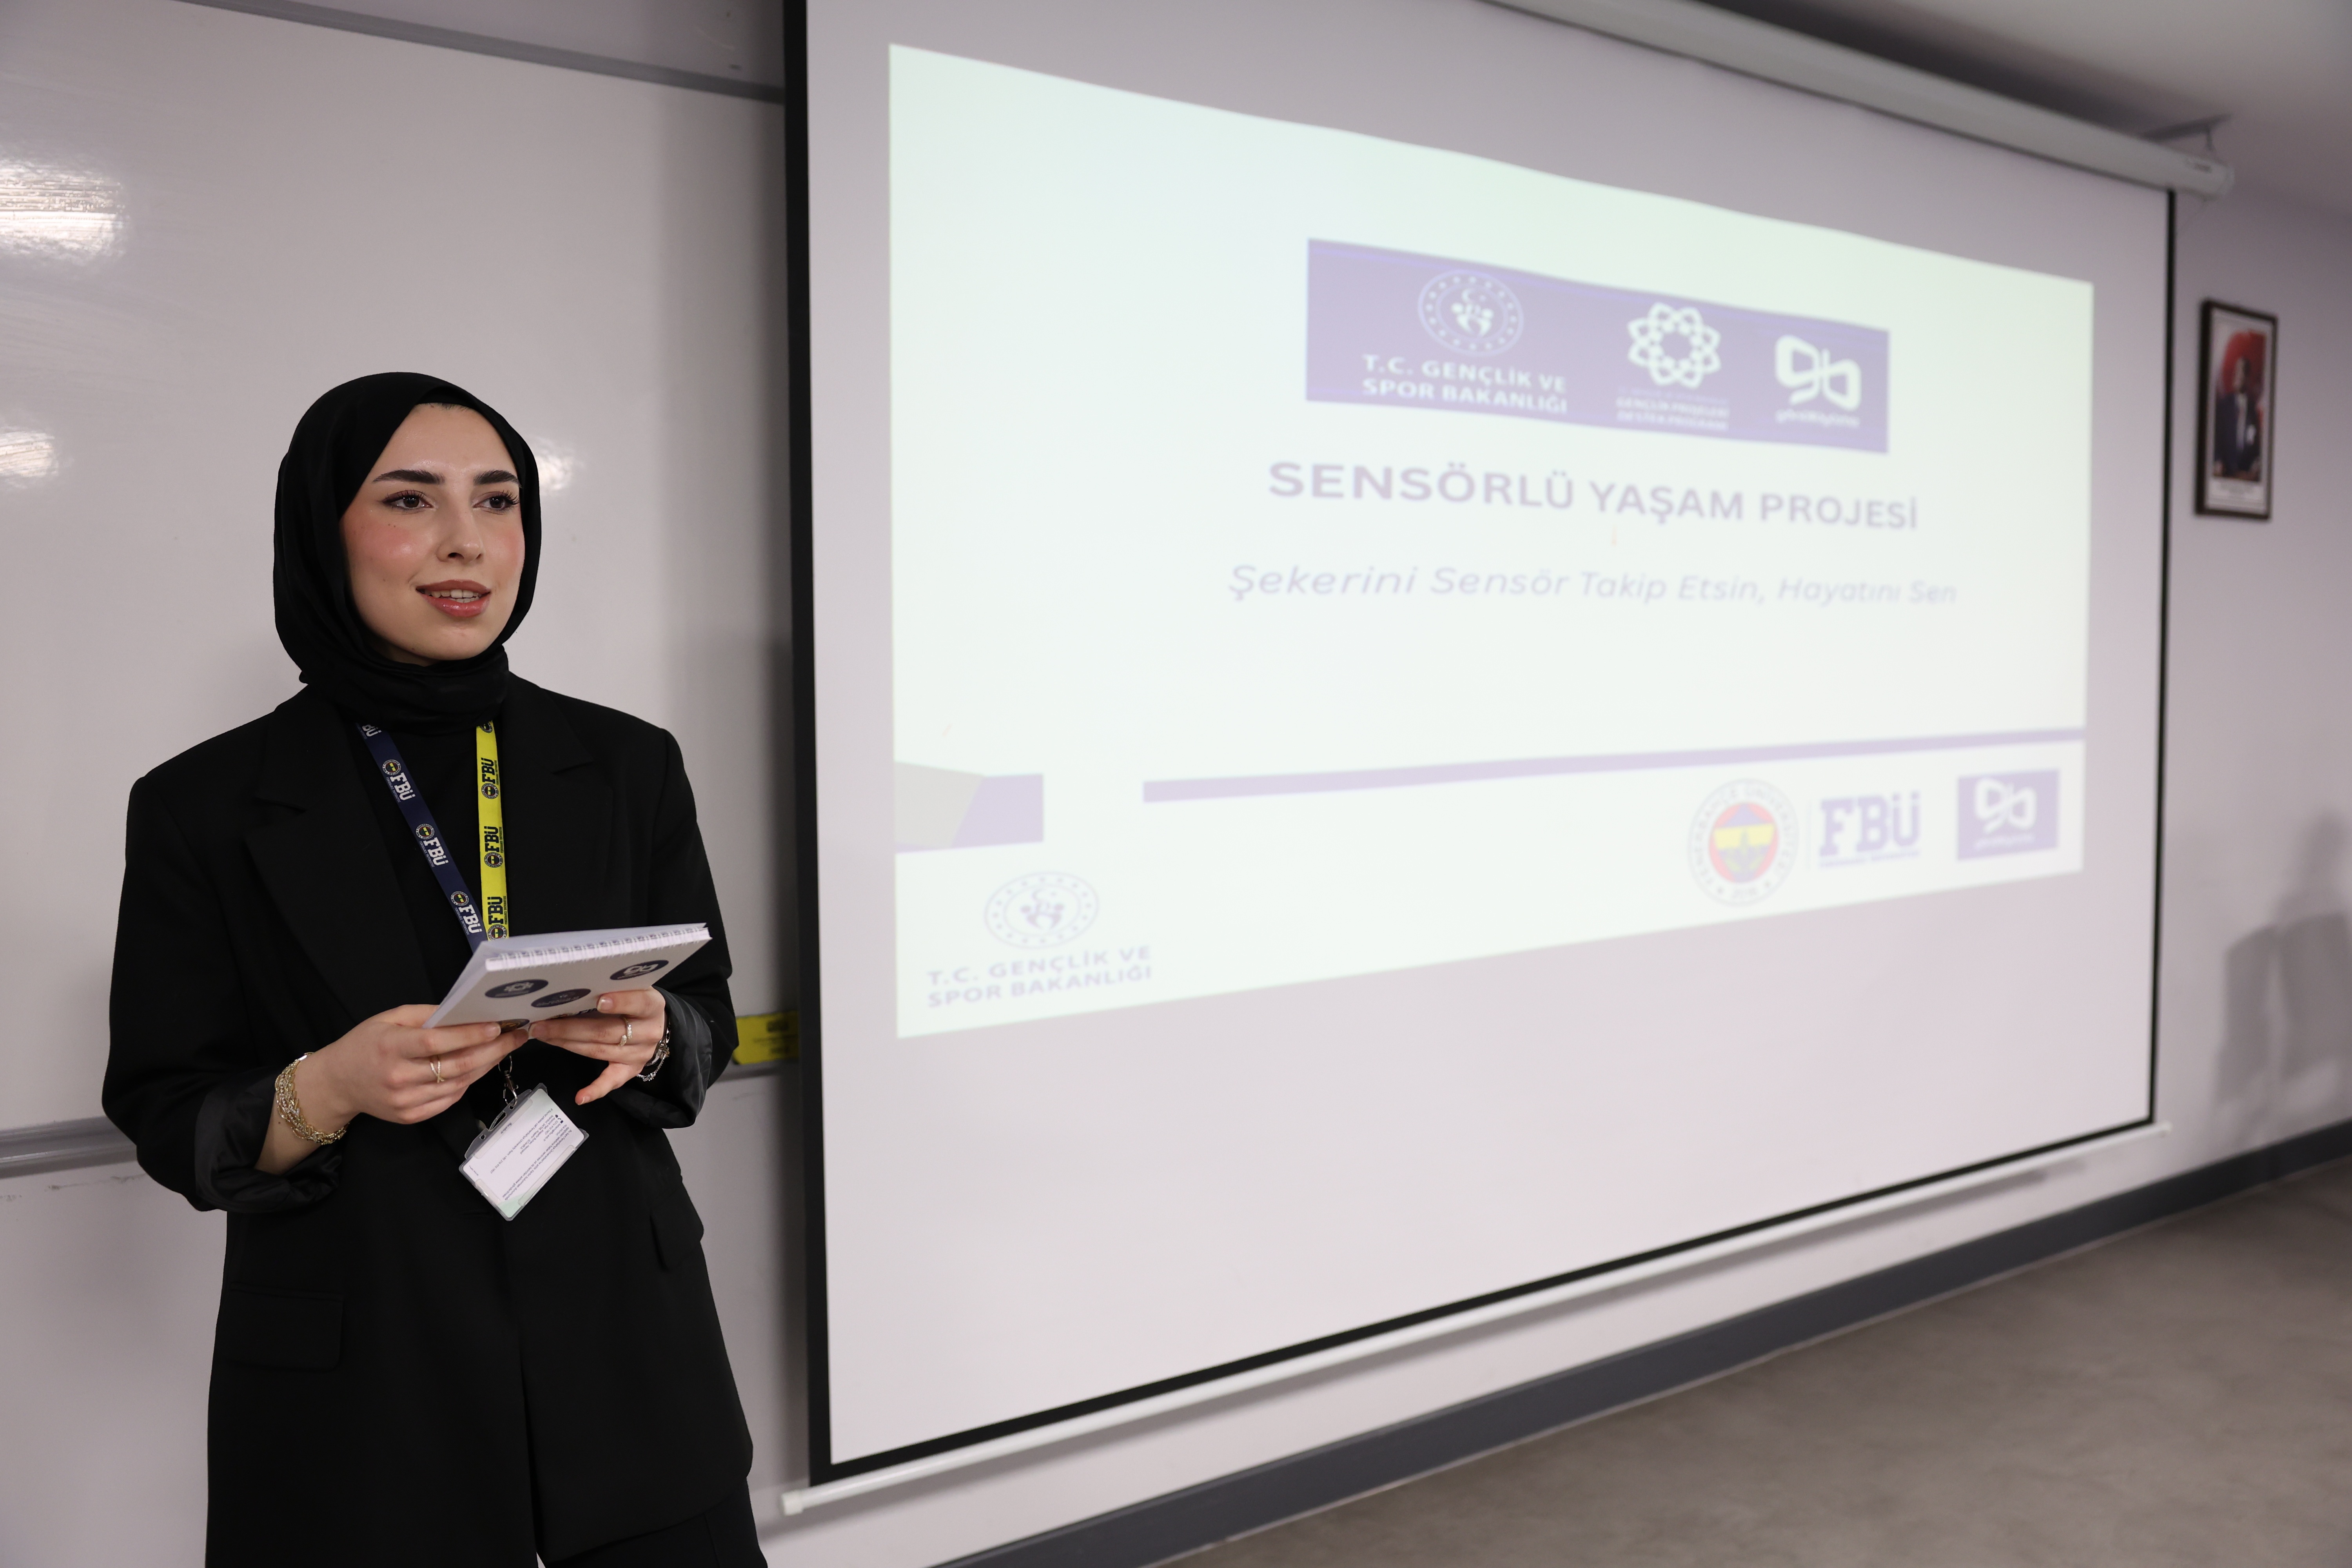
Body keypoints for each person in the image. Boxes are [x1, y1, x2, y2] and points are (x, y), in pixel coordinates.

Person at [102, 373, 760, 1566]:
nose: (468, 541)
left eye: (498, 500)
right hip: (365, 1398)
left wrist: (655, 1031)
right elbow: (166, 1110)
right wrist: (327, 1087)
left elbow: (705, 1013)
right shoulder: (203, 804)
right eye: (411, 499)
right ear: (323, 530)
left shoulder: (626, 763)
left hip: (630, 1363)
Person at [2213, 351, 2263, 480]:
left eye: (2243, 372)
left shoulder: (2253, 410)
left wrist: (2256, 464)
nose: (2240, 377)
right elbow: (2216, 438)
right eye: (2238, 372)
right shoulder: (2224, 406)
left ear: (2248, 378)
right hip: (2225, 474)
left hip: (2245, 476)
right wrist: (2217, 461)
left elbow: (2256, 445)